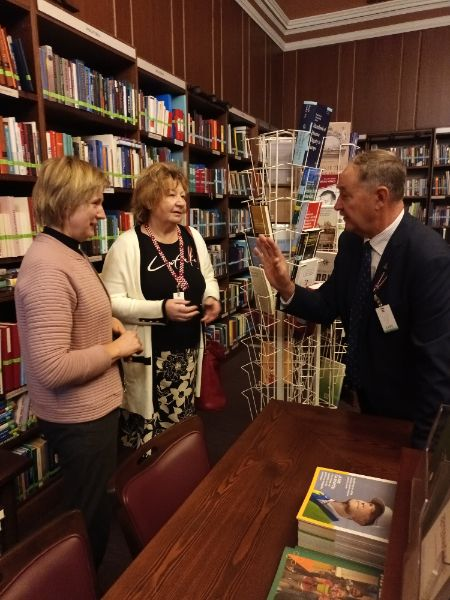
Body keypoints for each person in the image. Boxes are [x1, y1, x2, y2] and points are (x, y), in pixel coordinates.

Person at [256, 149, 450, 449]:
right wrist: (286, 287)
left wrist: (421, 455)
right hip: (361, 406)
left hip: (405, 420)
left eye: (345, 196)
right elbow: (328, 305)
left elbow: (436, 369)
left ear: (380, 197)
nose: (337, 206)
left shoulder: (428, 259)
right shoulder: (351, 242)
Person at [14, 156, 143, 568]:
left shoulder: (66, 251)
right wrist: (115, 350)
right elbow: (52, 367)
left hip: (90, 411)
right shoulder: (48, 268)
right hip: (78, 417)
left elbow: (75, 311)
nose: (102, 214)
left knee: (92, 506)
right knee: (89, 517)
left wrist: (106, 322)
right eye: (94, 203)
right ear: (66, 202)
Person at [101, 162, 221, 448]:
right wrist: (161, 309)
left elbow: (208, 277)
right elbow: (111, 303)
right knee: (149, 439)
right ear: (149, 199)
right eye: (171, 195)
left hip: (188, 352)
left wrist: (211, 298)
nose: (181, 202)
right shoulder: (127, 245)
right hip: (149, 358)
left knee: (180, 431)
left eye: (183, 195)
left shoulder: (193, 237)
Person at [309, 491, 392, 528]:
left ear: (362, 522)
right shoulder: (323, 495)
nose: (365, 504)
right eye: (370, 504)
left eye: (372, 512)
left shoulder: (323, 522)